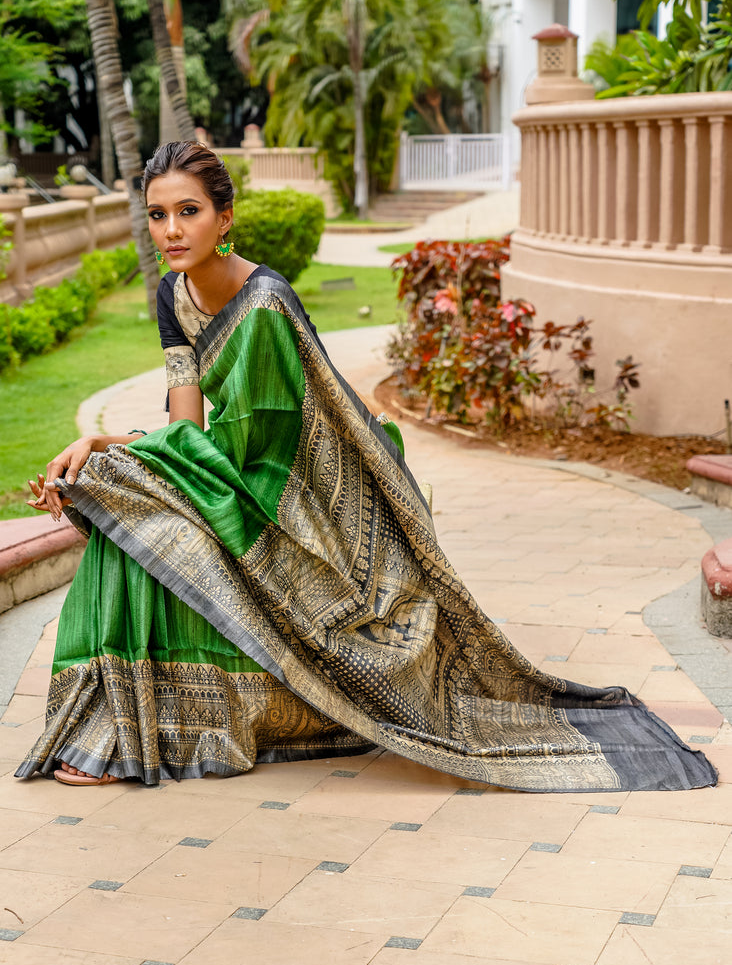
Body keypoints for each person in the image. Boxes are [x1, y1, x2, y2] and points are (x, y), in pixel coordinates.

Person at [16, 141, 716, 793]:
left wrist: (115, 450)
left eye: (189, 212)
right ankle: (119, 725)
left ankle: (153, 725)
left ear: (225, 217)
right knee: (111, 494)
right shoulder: (174, 296)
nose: (171, 230)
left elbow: (253, 448)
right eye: (159, 215)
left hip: (295, 498)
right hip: (230, 470)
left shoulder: (263, 305)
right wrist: (107, 453)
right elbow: (187, 427)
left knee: (122, 488)